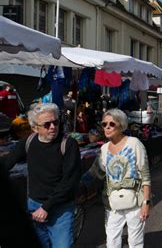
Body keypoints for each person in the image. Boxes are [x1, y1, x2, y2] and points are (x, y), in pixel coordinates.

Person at [0, 103, 81, 247]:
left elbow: (69, 182)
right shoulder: (29, 142)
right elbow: (8, 161)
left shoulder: (68, 144)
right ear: (34, 128)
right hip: (34, 206)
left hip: (60, 209)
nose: (53, 127)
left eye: (56, 122)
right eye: (47, 124)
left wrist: (46, 207)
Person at [82, 109, 151, 248]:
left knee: (135, 242)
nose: (107, 127)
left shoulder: (134, 143)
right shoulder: (104, 149)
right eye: (104, 124)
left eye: (111, 124)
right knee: (112, 241)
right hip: (112, 203)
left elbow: (145, 175)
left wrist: (146, 203)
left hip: (135, 201)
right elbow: (95, 172)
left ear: (121, 125)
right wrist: (74, 185)